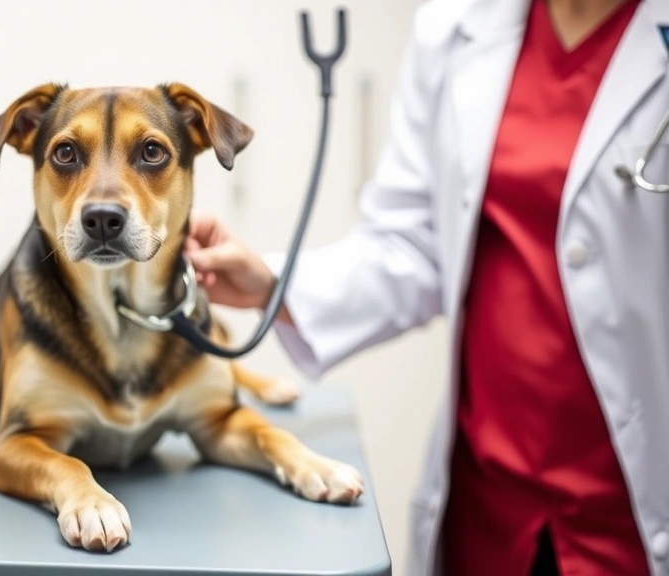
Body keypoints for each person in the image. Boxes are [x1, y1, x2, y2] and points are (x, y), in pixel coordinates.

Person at [184, 0, 669, 574]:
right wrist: (271, 284)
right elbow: (415, 246)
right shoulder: (458, 24)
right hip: (487, 505)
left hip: (632, 514)